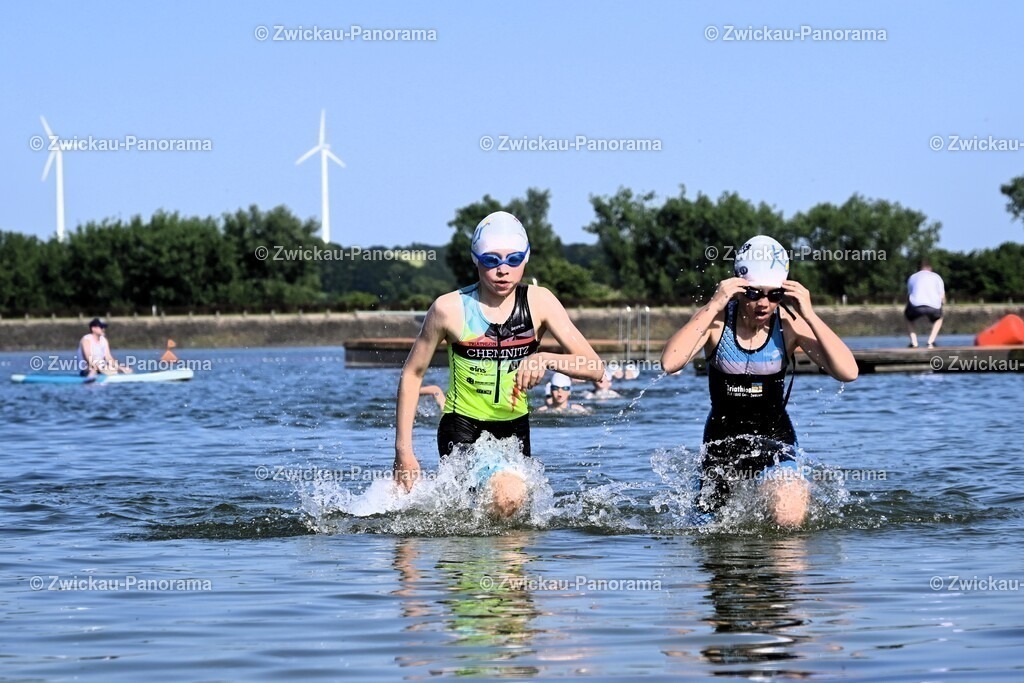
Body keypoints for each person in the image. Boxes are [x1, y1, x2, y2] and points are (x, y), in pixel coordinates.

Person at [393, 211, 605, 517]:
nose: (503, 270)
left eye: (513, 260)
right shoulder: (448, 309)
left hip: (515, 431)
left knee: (509, 523)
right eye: (491, 261)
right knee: (508, 495)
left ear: (526, 258)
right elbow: (412, 375)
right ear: (476, 260)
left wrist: (545, 358)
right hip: (462, 427)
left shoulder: (540, 302)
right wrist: (404, 451)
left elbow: (594, 368)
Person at [660, 235, 858, 527]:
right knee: (707, 532)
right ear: (738, 290)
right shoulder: (715, 324)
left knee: (789, 516)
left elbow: (848, 371)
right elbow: (670, 362)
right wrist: (714, 304)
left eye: (774, 295)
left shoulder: (789, 325)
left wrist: (811, 315)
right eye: (754, 293)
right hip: (721, 444)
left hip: (774, 439)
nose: (764, 304)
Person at [905, 261, 945, 348]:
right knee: (939, 318)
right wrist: (940, 308)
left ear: (919, 269)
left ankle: (914, 342)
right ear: (930, 269)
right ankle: (930, 341)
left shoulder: (912, 277)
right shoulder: (937, 277)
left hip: (916, 306)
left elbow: (909, 296)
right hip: (934, 307)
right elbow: (942, 297)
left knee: (908, 318)